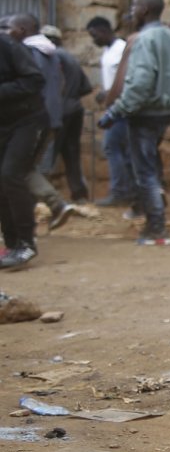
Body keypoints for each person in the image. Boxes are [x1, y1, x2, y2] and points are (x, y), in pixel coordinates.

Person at [98, 0, 170, 246]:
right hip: (165, 111)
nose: (131, 11)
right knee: (149, 165)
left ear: (146, 9)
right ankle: (154, 222)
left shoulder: (143, 40)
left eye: (135, 6)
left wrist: (115, 112)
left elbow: (140, 83)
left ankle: (156, 228)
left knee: (145, 171)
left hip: (145, 112)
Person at [4, 14, 80, 232]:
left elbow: (30, 85)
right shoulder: (51, 53)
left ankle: (44, 211)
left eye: (9, 28)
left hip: (30, 119)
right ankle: (49, 209)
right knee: (23, 169)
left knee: (15, 170)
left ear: (21, 29)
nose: (7, 33)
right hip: (48, 117)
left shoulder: (28, 53)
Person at [0, 32, 46, 269]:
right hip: (3, 123)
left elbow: (34, 80)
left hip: (26, 120)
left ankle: (27, 243)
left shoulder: (7, 45)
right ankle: (12, 244)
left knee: (10, 175)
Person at [40, 25, 92, 203]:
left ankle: (45, 198)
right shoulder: (70, 57)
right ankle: (79, 195)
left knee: (46, 154)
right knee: (72, 153)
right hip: (75, 109)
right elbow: (87, 87)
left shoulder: (50, 57)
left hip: (57, 111)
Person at [86, 16, 134, 208]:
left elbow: (128, 78)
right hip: (112, 105)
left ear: (105, 31)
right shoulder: (108, 52)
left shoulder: (122, 48)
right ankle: (128, 191)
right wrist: (104, 94)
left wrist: (110, 94)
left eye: (94, 35)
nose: (93, 40)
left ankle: (120, 191)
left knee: (111, 146)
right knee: (121, 149)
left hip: (121, 107)